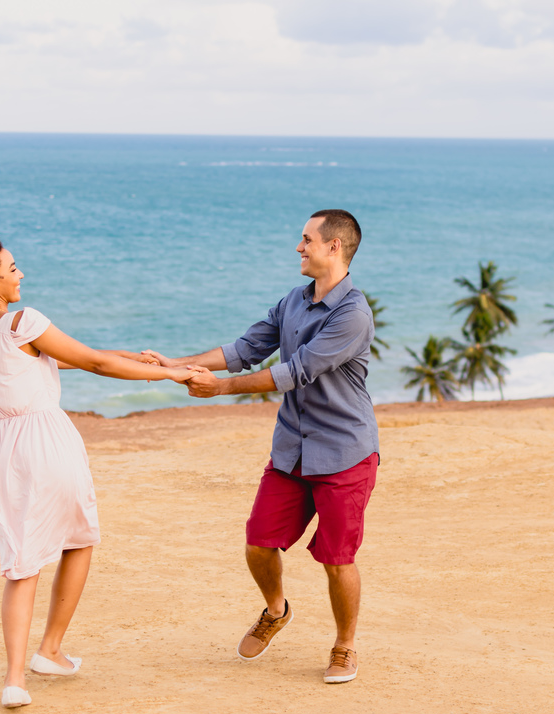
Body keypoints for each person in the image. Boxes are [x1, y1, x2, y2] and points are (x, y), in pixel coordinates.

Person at [0, 231, 196, 709]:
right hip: (43, 443)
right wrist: (173, 372)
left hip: (1, 448)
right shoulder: (22, 321)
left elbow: (64, 362)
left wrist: (127, 356)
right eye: (12, 268)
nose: (21, 274)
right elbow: (93, 362)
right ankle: (51, 649)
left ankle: (15, 679)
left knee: (22, 564)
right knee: (79, 539)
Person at [143, 209, 379, 684]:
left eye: (307, 239)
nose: (298, 247)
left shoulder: (353, 314)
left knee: (337, 559)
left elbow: (296, 372)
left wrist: (220, 390)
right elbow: (245, 348)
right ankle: (276, 609)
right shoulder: (293, 300)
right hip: (292, 449)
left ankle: (344, 646)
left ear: (334, 247)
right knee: (258, 543)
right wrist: (178, 364)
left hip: (343, 453)